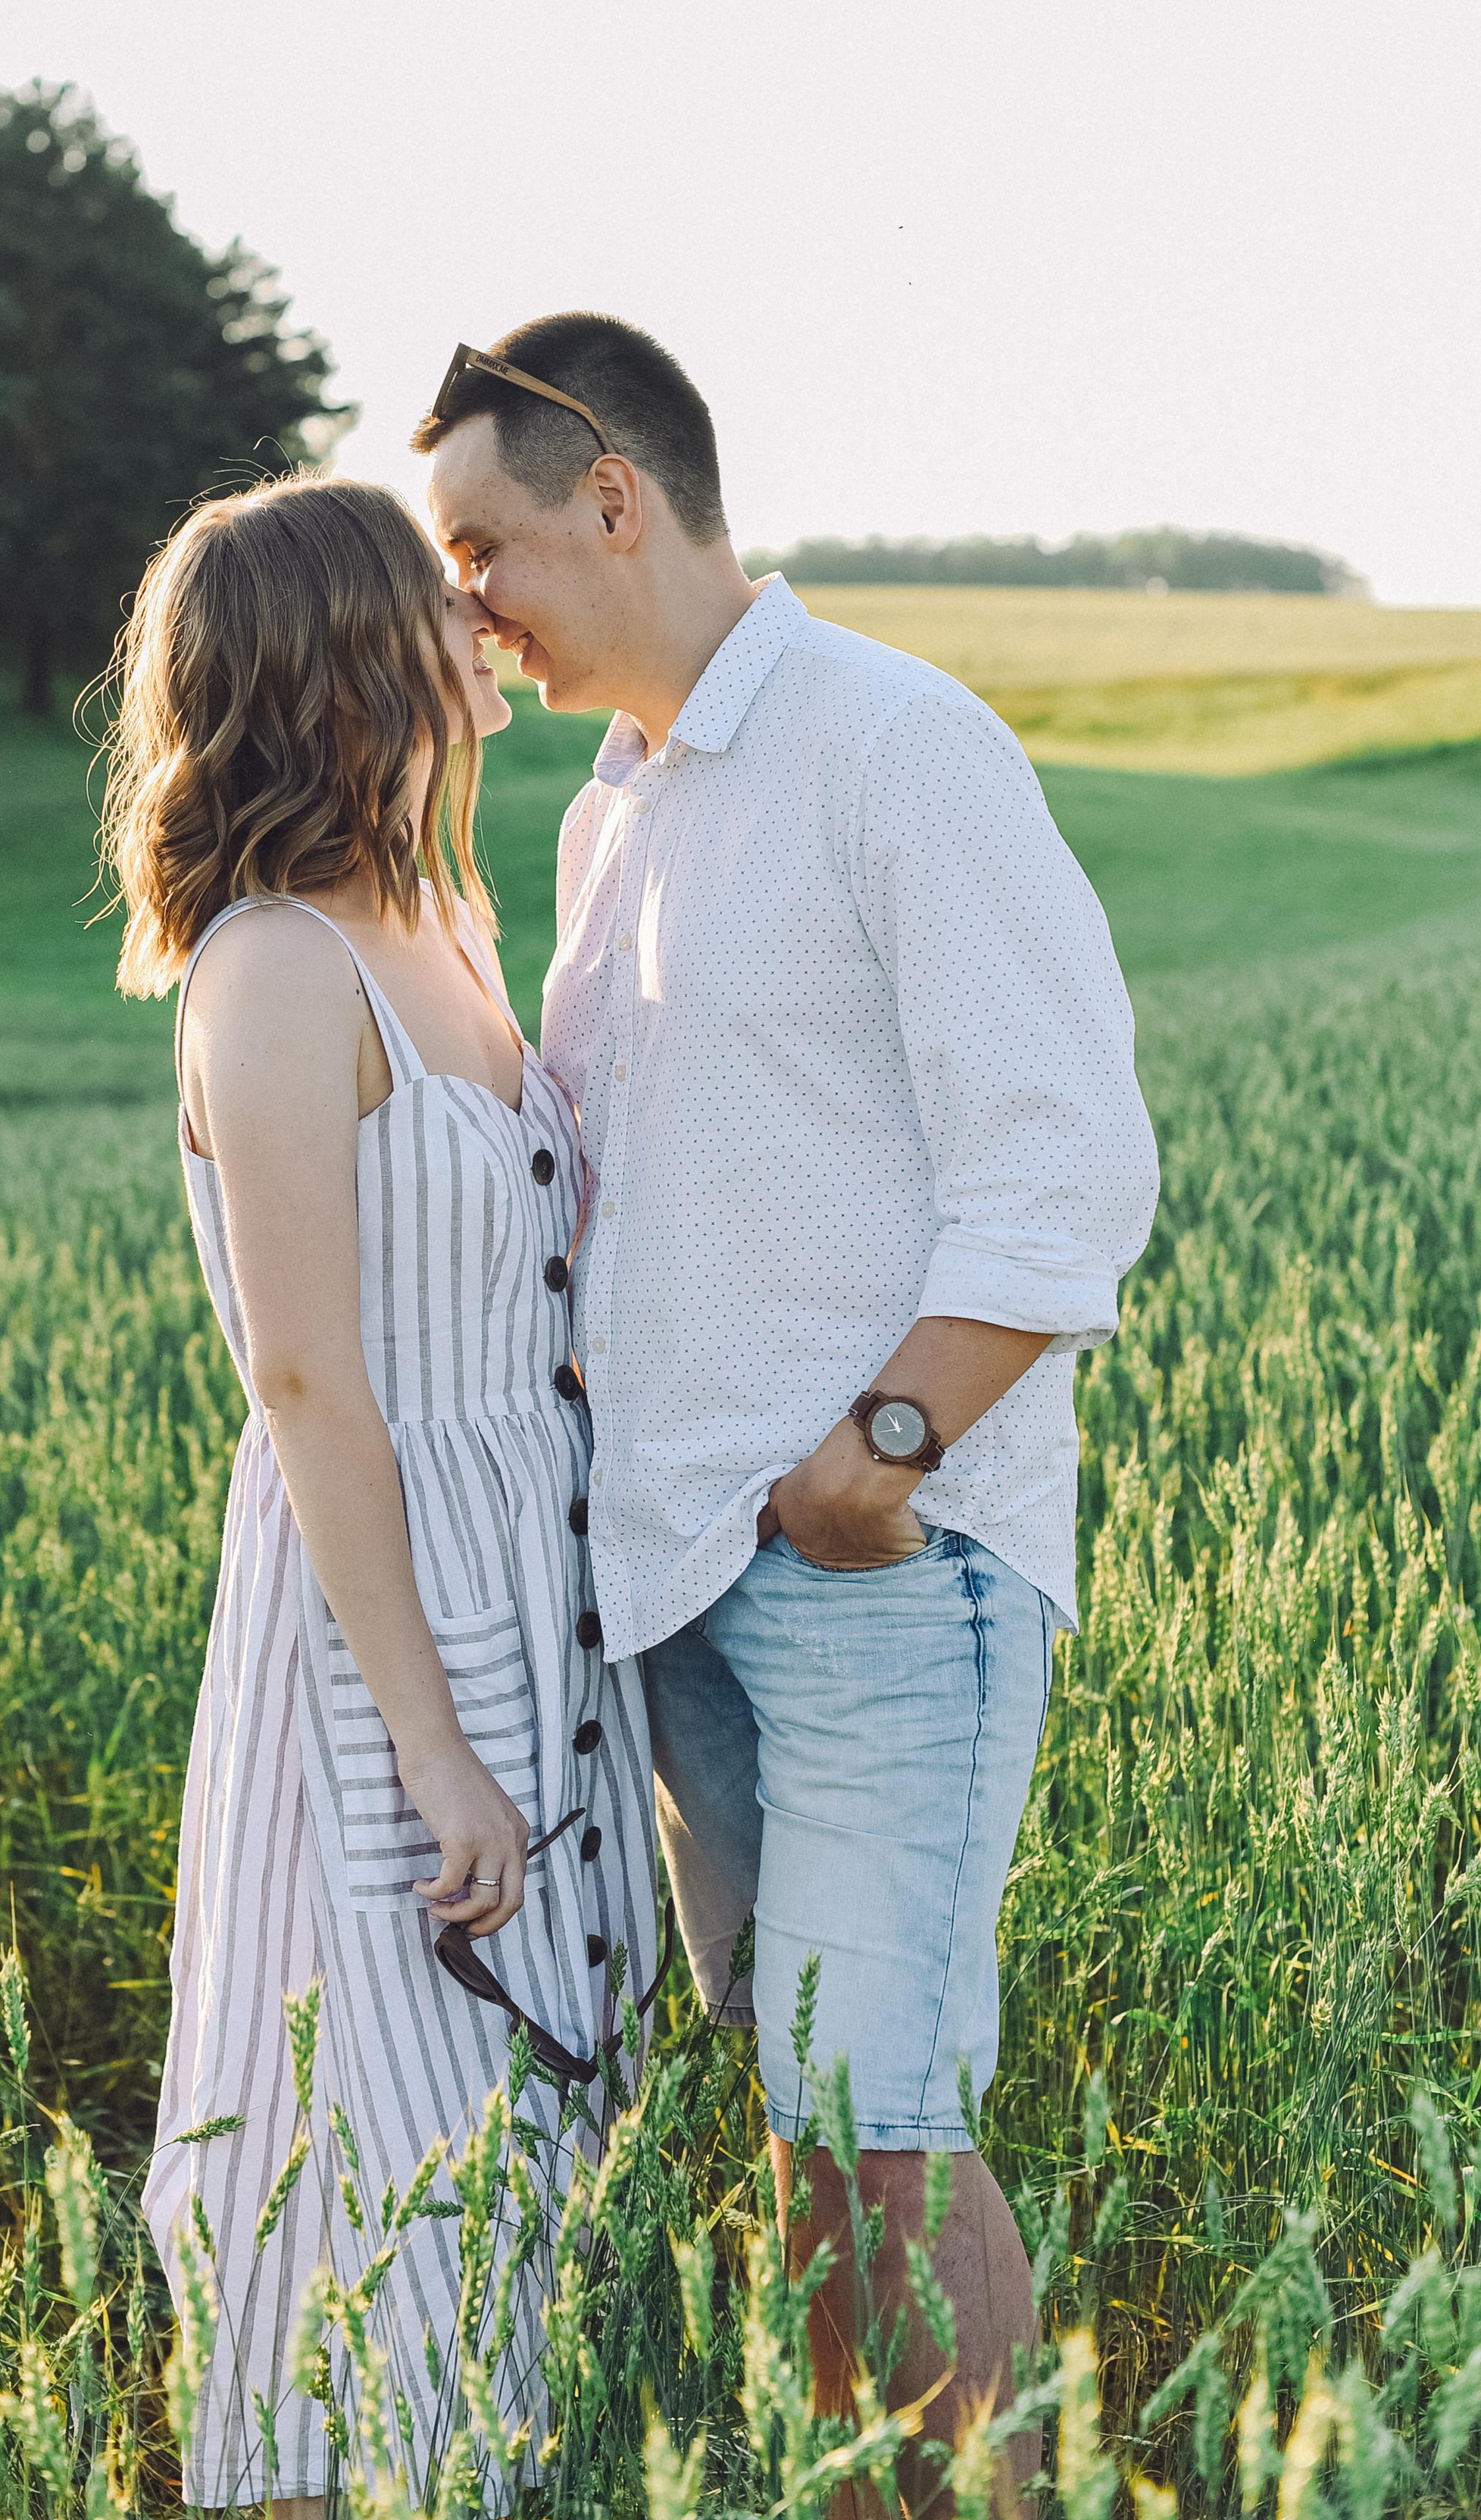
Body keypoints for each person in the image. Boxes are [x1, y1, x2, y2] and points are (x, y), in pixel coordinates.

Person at [416, 321, 1160, 2478]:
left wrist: (878, 1460)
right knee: (810, 2116)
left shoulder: (892, 741)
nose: (469, 603)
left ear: (615, 497)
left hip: (875, 1578)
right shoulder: (613, 811)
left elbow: (1068, 1156)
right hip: (673, 1587)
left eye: (484, 548)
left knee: (880, 2120)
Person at [105, 477, 658, 2514]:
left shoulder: (446, 918)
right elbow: (309, 1384)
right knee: (373, 2175)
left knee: (523, 2191)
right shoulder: (272, 969)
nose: (482, 617)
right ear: (345, 657)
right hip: (385, 1619)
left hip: (541, 1592)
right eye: (440, 597)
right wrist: (432, 1746)